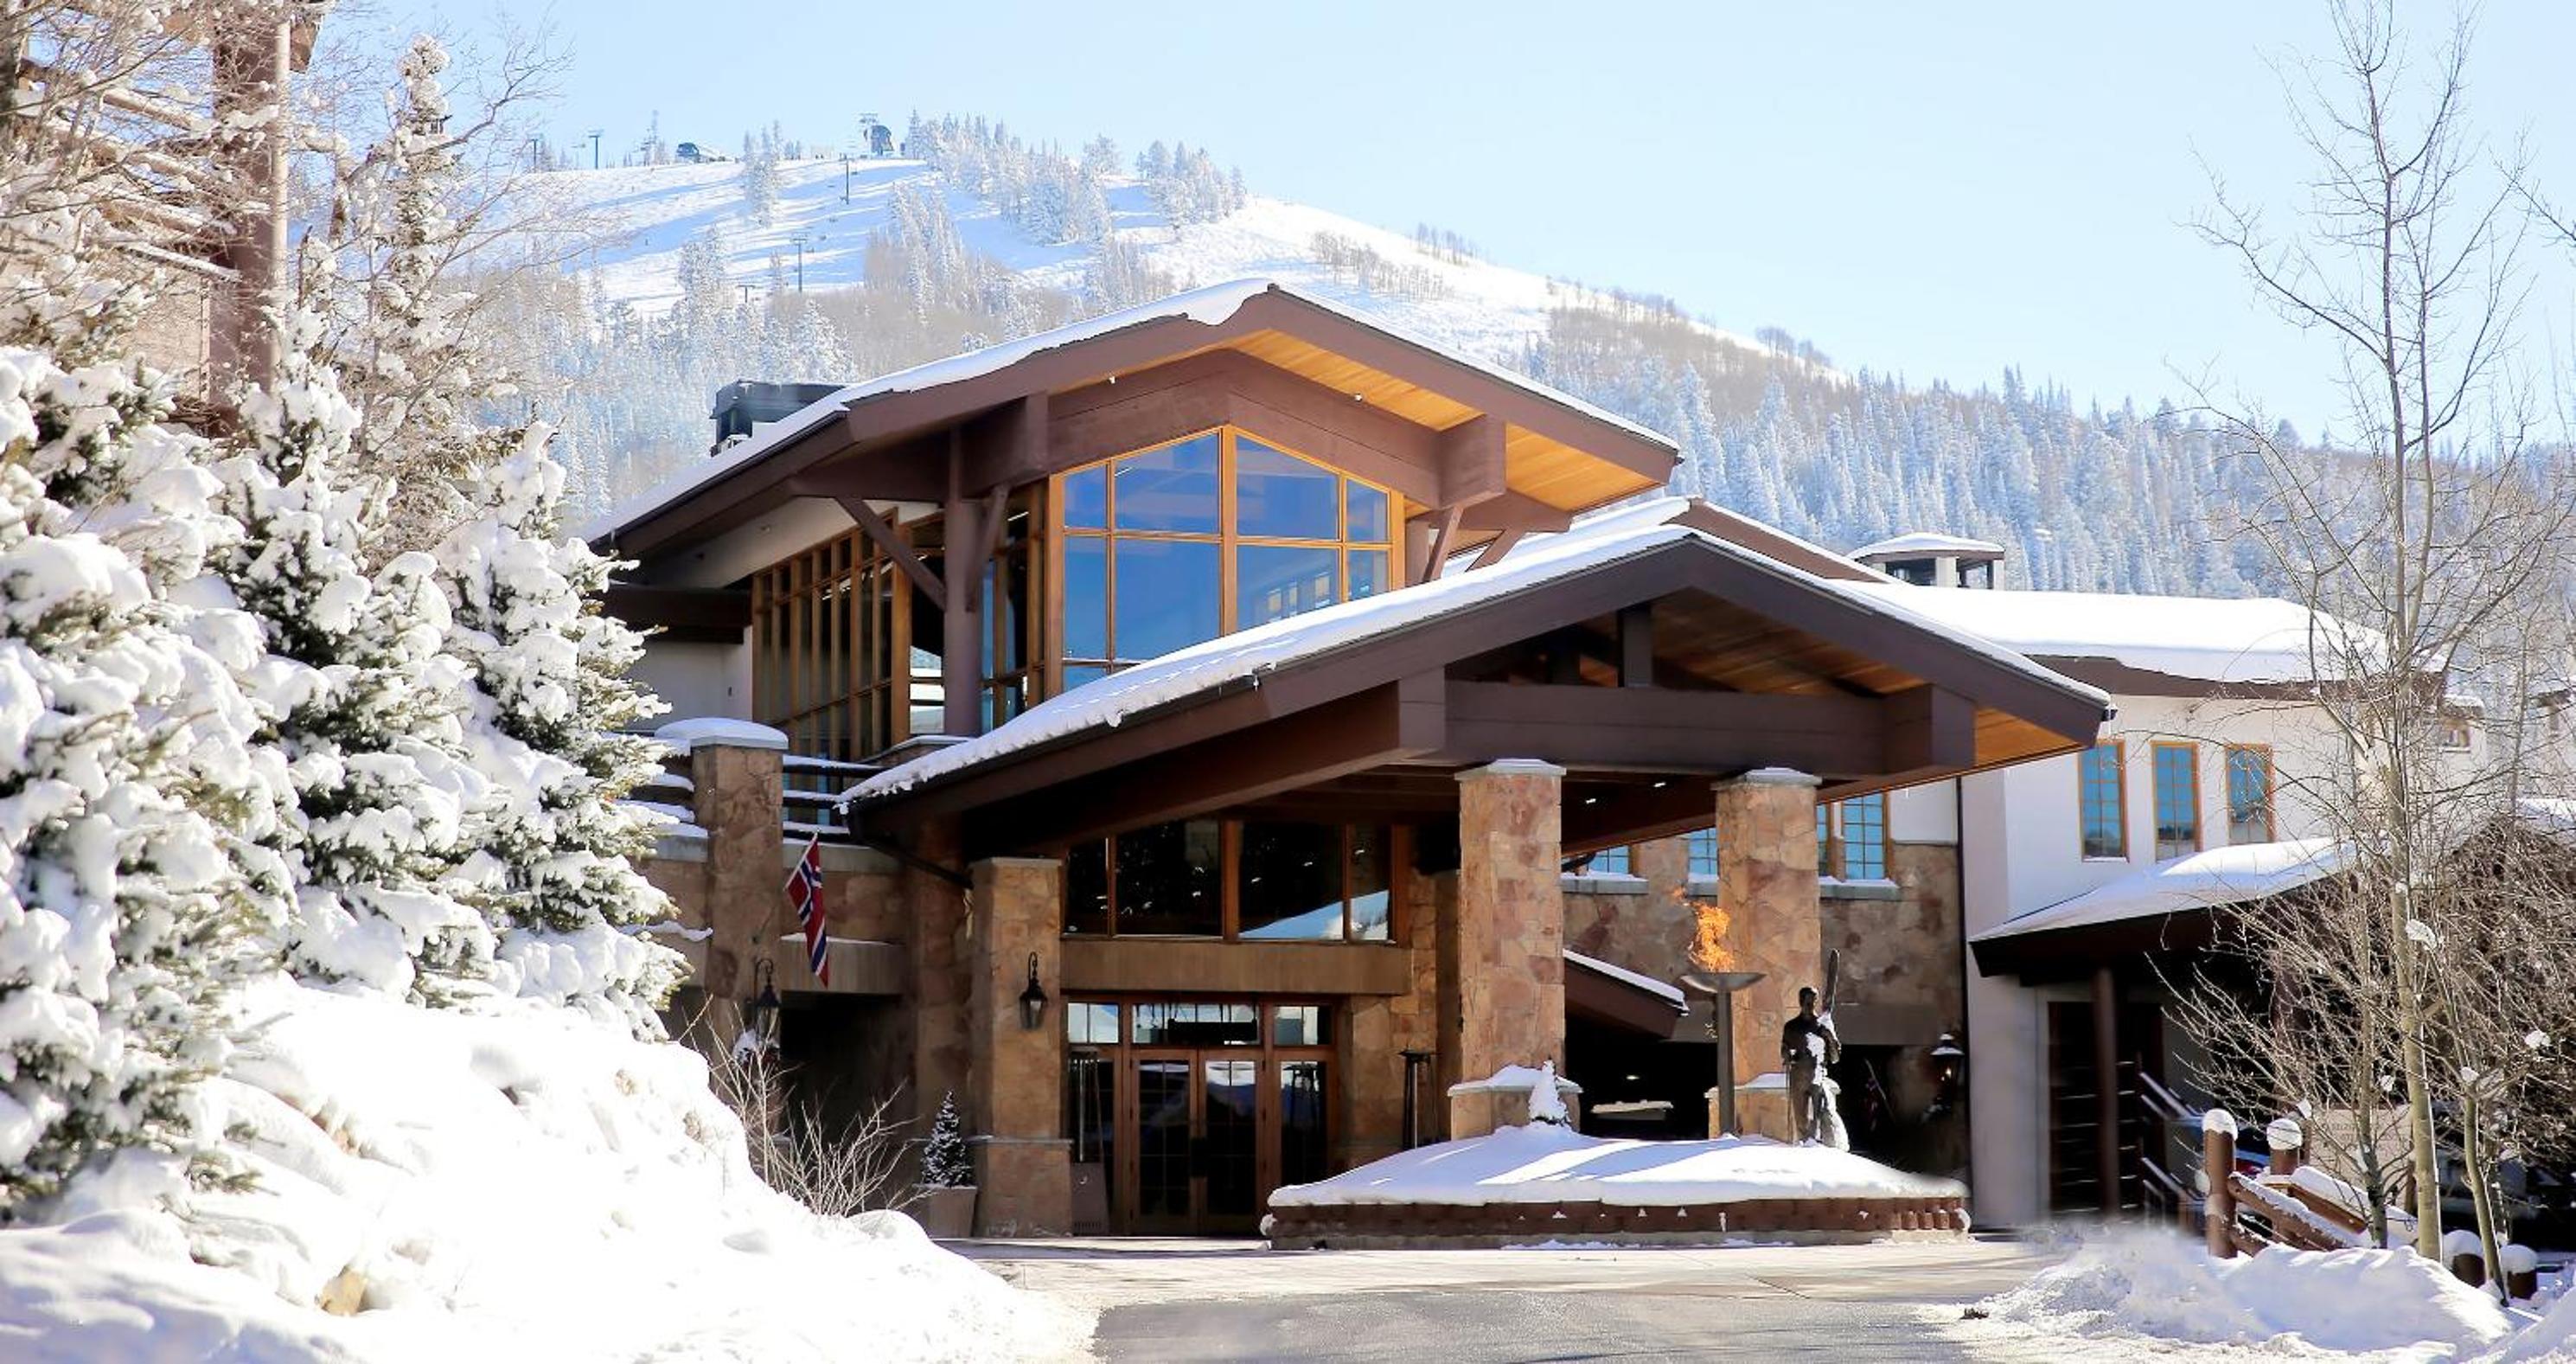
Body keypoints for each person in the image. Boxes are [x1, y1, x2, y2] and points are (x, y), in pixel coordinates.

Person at [1780, 986, 1841, 1143]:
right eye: (1806, 1000)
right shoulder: (1791, 1027)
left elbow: (1835, 1058)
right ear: (1800, 1001)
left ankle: (1815, 1144)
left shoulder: (1823, 1026)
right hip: (1798, 1075)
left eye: (1813, 1001)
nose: (1810, 1004)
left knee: (1818, 1116)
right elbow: (1784, 1049)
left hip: (1817, 1075)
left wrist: (1830, 1038)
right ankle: (1803, 1142)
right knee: (1800, 1117)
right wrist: (1787, 1055)